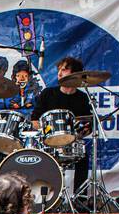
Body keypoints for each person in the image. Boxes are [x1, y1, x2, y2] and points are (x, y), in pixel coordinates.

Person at [30, 56, 97, 194]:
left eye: (64, 70)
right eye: (58, 70)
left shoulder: (83, 98)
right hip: (48, 144)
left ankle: (80, 199)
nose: (59, 73)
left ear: (74, 74)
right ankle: (46, 200)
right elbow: (34, 121)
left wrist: (83, 131)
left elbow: (88, 126)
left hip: (72, 143)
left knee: (83, 157)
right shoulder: (48, 94)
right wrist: (46, 130)